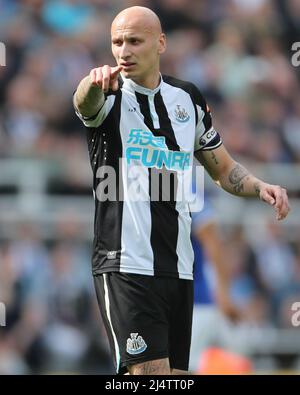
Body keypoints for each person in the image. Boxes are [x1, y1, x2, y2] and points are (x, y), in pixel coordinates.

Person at [73, 6, 290, 375]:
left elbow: (221, 168)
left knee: (165, 376)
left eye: (134, 41)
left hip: (179, 268)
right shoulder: (107, 95)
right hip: (126, 262)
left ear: (160, 43)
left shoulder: (186, 99)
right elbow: (83, 103)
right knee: (149, 374)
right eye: (117, 42)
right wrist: (90, 84)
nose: (123, 51)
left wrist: (259, 186)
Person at [189, 193, 241, 373]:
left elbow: (213, 242)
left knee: (179, 366)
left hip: (195, 300)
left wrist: (224, 293)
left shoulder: (187, 187)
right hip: (170, 299)